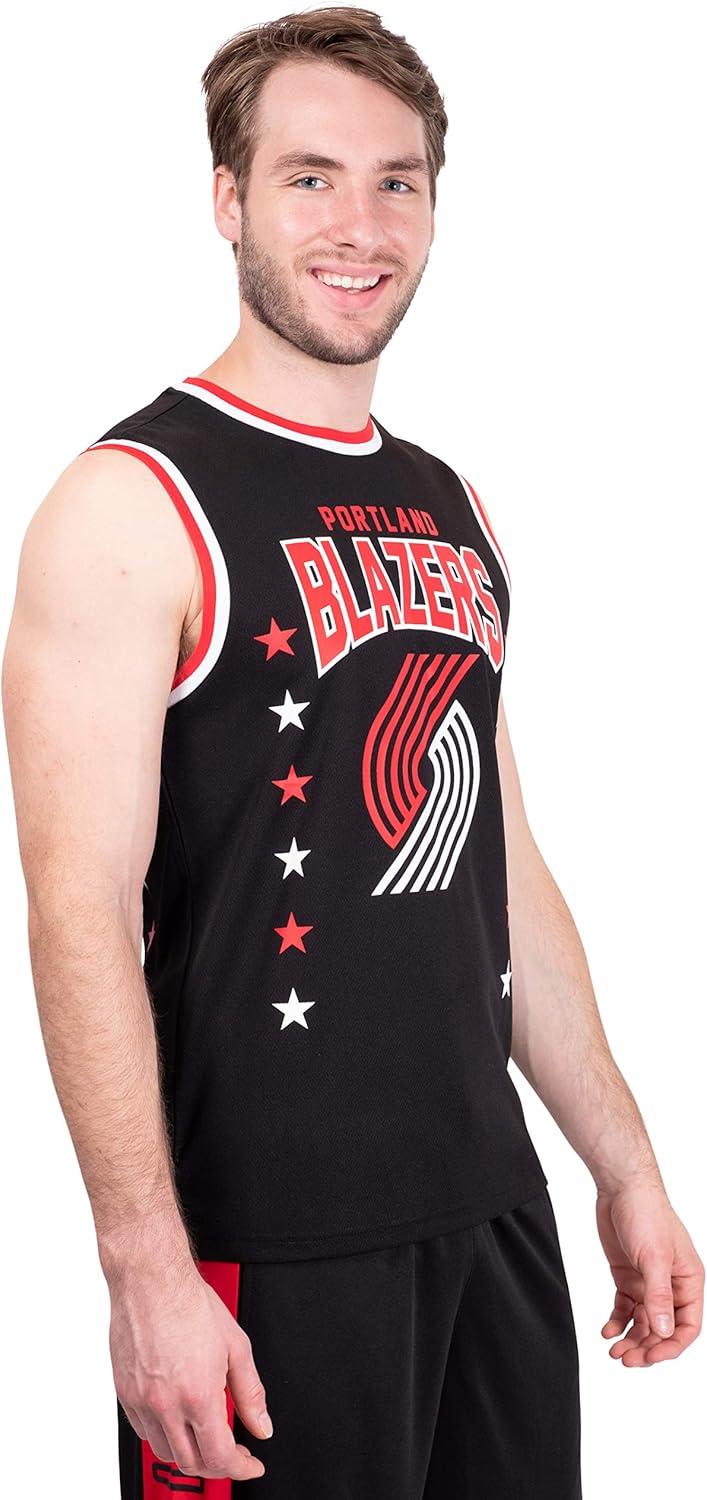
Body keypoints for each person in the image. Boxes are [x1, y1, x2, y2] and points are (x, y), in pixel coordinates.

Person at [2, 8, 703, 1497]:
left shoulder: (452, 502)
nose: (360, 225)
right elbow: (76, 912)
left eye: (398, 181)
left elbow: (502, 865)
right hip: (269, 1242)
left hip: (491, 1212)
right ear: (227, 198)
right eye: (309, 177)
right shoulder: (132, 500)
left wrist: (626, 1164)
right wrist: (145, 1270)